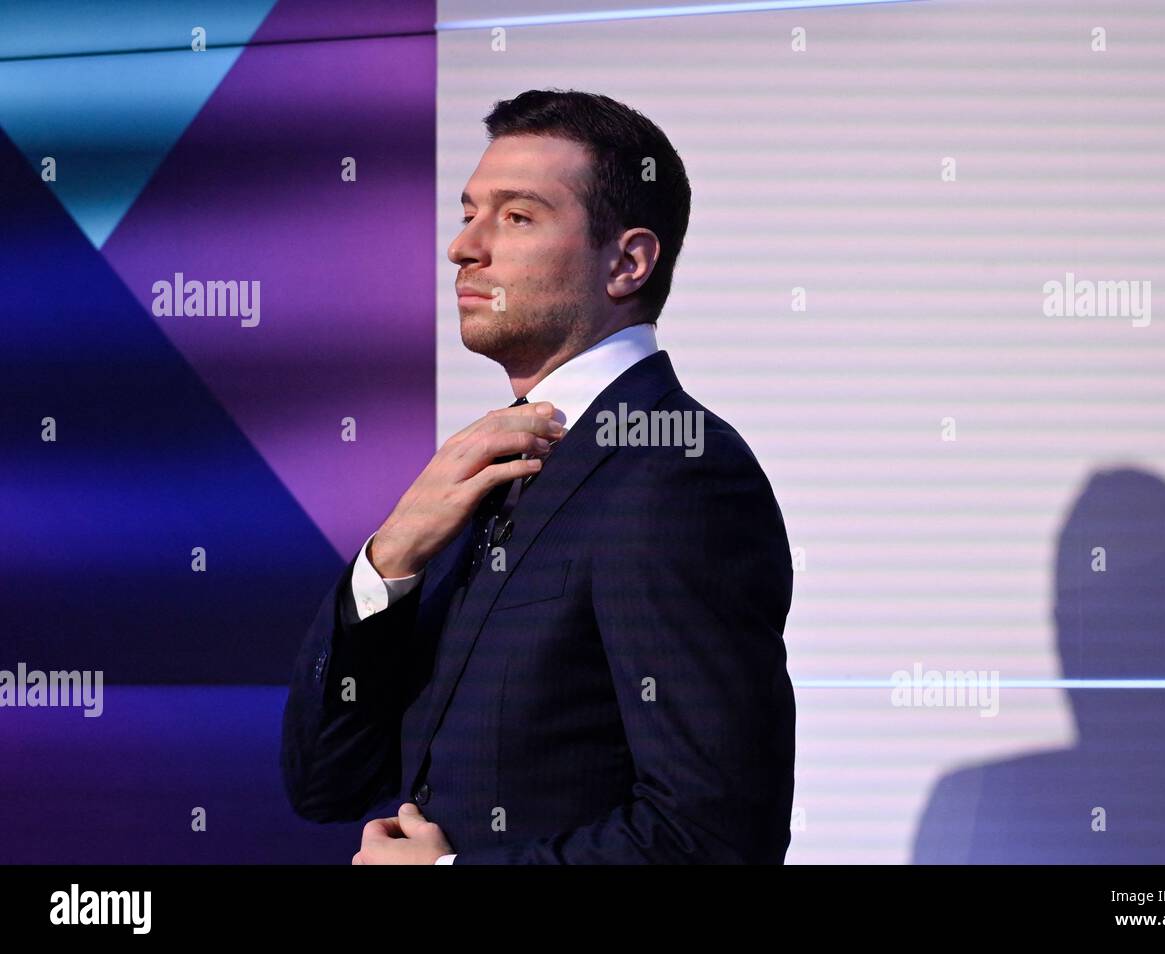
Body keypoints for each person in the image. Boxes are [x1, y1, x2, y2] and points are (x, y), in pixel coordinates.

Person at [281, 89, 796, 864]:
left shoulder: (680, 475)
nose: (464, 247)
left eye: (517, 217)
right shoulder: (475, 479)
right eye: (468, 213)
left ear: (627, 261)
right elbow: (326, 782)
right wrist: (389, 562)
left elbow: (716, 837)